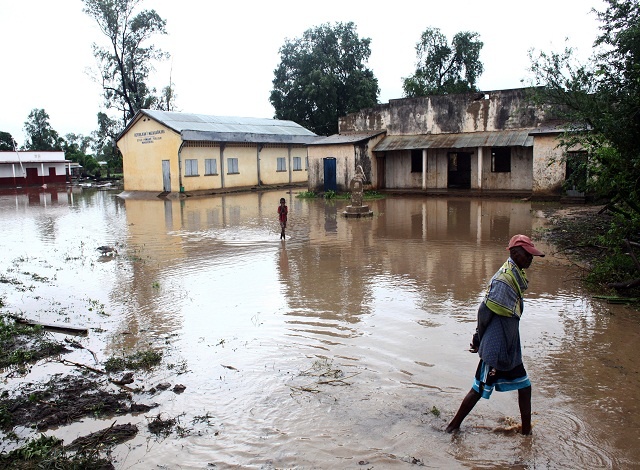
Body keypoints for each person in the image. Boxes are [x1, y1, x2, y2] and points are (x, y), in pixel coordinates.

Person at [445, 234, 545, 435]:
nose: (531, 259)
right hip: (497, 343)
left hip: (509, 343)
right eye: (528, 255)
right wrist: (478, 338)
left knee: (524, 386)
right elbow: (485, 311)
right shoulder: (504, 279)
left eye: (532, 255)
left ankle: (527, 433)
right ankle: (451, 428)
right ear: (515, 253)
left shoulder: (516, 276)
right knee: (479, 388)